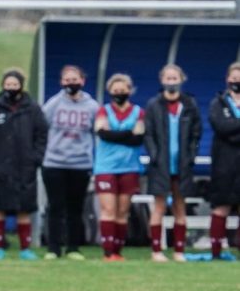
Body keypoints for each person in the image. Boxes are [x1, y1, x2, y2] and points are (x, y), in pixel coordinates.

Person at [0, 69, 49, 260]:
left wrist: (36, 157)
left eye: (15, 84)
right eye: (7, 84)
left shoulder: (33, 109)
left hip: (25, 168)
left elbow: (42, 135)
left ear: (21, 85)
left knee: (24, 209)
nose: (11, 88)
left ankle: (25, 249)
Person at [144, 64, 202, 263]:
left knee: (180, 207)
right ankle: (156, 251)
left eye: (174, 78)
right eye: (168, 78)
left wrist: (191, 155)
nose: (171, 82)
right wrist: (154, 155)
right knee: (159, 207)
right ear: (162, 80)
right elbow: (148, 133)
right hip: (161, 164)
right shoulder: (154, 105)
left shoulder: (189, 104)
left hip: (182, 165)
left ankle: (179, 250)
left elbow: (196, 132)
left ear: (181, 79)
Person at [41, 65, 99, 260]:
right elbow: (41, 127)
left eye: (74, 80)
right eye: (67, 80)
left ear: (82, 81)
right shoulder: (53, 104)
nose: (70, 83)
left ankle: (73, 247)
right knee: (55, 207)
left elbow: (97, 131)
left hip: (80, 164)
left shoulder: (92, 106)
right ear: (61, 82)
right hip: (54, 163)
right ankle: (53, 248)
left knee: (76, 209)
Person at [93, 73, 145, 261]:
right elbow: (103, 134)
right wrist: (126, 134)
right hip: (106, 167)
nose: (119, 93)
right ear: (109, 91)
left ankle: (118, 251)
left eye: (123, 90)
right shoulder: (103, 111)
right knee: (108, 209)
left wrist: (115, 133)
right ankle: (107, 251)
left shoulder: (138, 112)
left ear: (130, 91)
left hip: (129, 166)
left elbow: (138, 138)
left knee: (123, 211)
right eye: (115, 90)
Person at [205, 62, 240, 261]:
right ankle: (216, 252)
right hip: (223, 164)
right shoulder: (217, 103)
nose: (237, 82)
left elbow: (229, 129)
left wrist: (232, 129)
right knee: (221, 207)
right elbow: (221, 127)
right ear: (227, 79)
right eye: (233, 78)